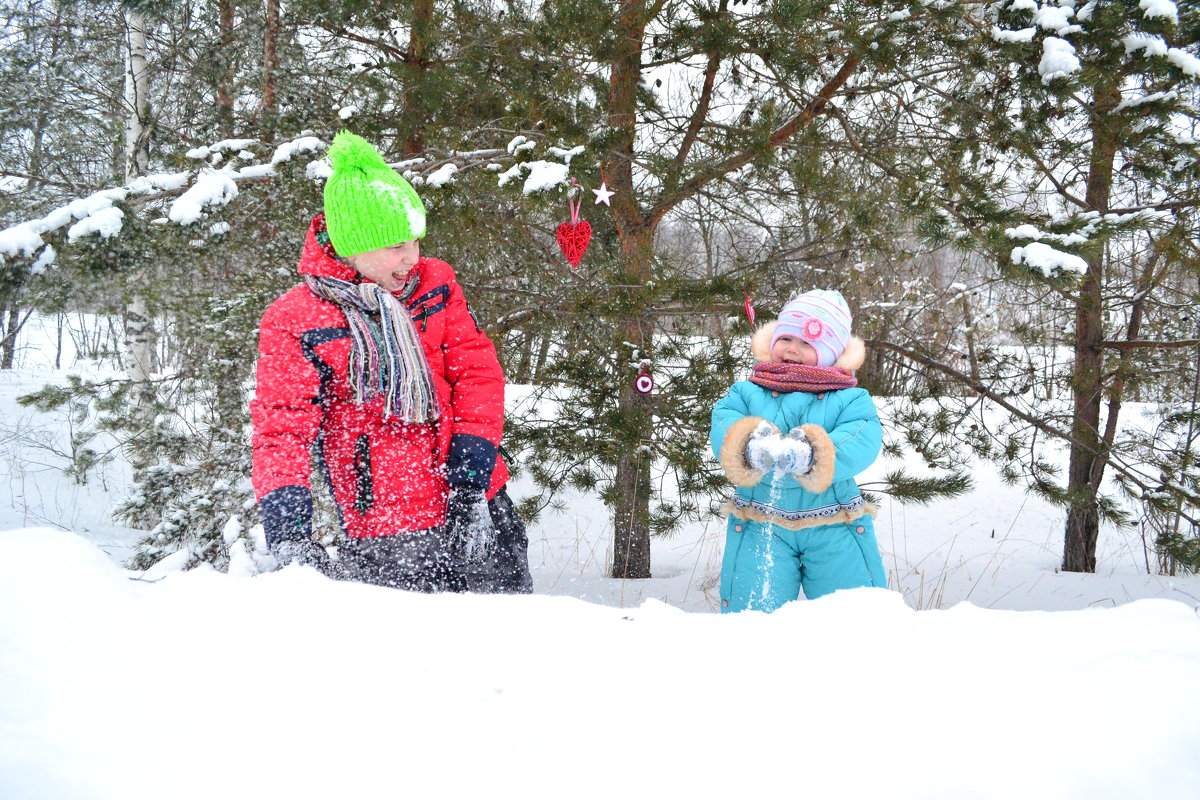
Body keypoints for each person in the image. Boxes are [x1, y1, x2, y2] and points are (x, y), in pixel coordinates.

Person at [250, 131, 532, 594]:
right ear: (350, 247)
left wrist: (472, 472)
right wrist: (289, 530)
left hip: (475, 496)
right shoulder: (294, 319)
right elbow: (282, 428)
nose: (411, 258)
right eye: (394, 246)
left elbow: (478, 372)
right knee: (412, 658)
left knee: (512, 635)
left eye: (415, 241)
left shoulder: (436, 284)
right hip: (386, 521)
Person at [709, 289, 886, 612]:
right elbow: (724, 422)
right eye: (787, 338)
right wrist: (749, 444)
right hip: (761, 520)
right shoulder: (748, 391)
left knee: (854, 615)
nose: (792, 349)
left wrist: (812, 453)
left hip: (834, 522)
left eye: (808, 344)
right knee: (752, 613)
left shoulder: (849, 399)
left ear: (832, 352)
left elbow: (862, 438)